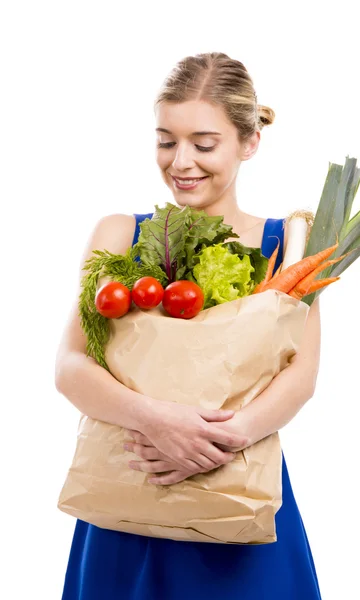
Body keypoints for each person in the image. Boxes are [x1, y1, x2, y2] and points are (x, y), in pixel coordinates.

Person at [56, 52, 322, 599]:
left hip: (237, 503)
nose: (181, 161)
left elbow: (302, 376)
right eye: (166, 140)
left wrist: (216, 442)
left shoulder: (288, 247)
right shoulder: (119, 234)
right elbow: (70, 365)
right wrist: (157, 421)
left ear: (249, 143)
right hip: (130, 499)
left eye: (204, 144)